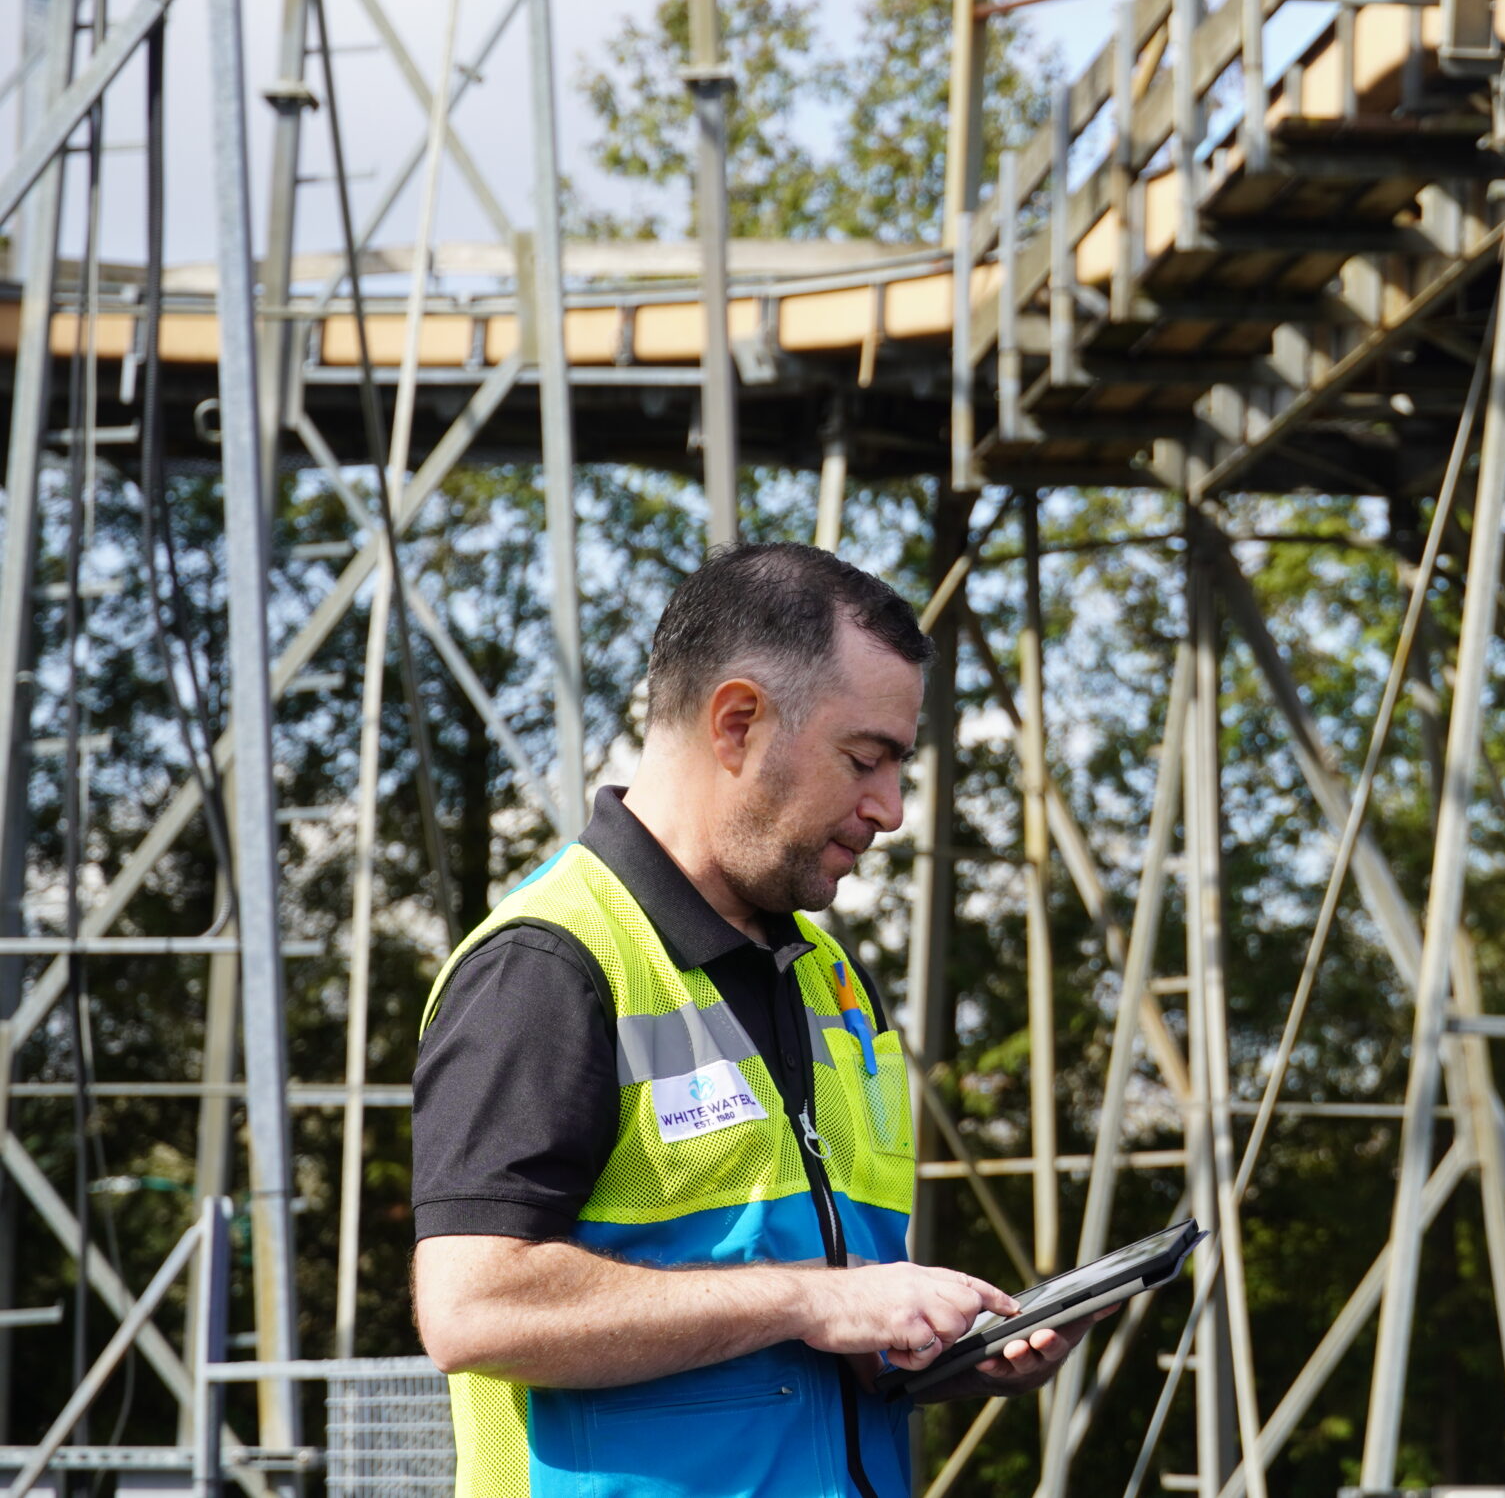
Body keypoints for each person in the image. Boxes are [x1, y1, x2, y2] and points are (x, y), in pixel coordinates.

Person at [410, 543, 1101, 1498]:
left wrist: (916, 1344)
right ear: (737, 721)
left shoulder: (829, 981)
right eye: (867, 759)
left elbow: (787, 1340)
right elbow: (475, 1309)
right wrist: (816, 1301)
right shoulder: (549, 963)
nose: (892, 809)